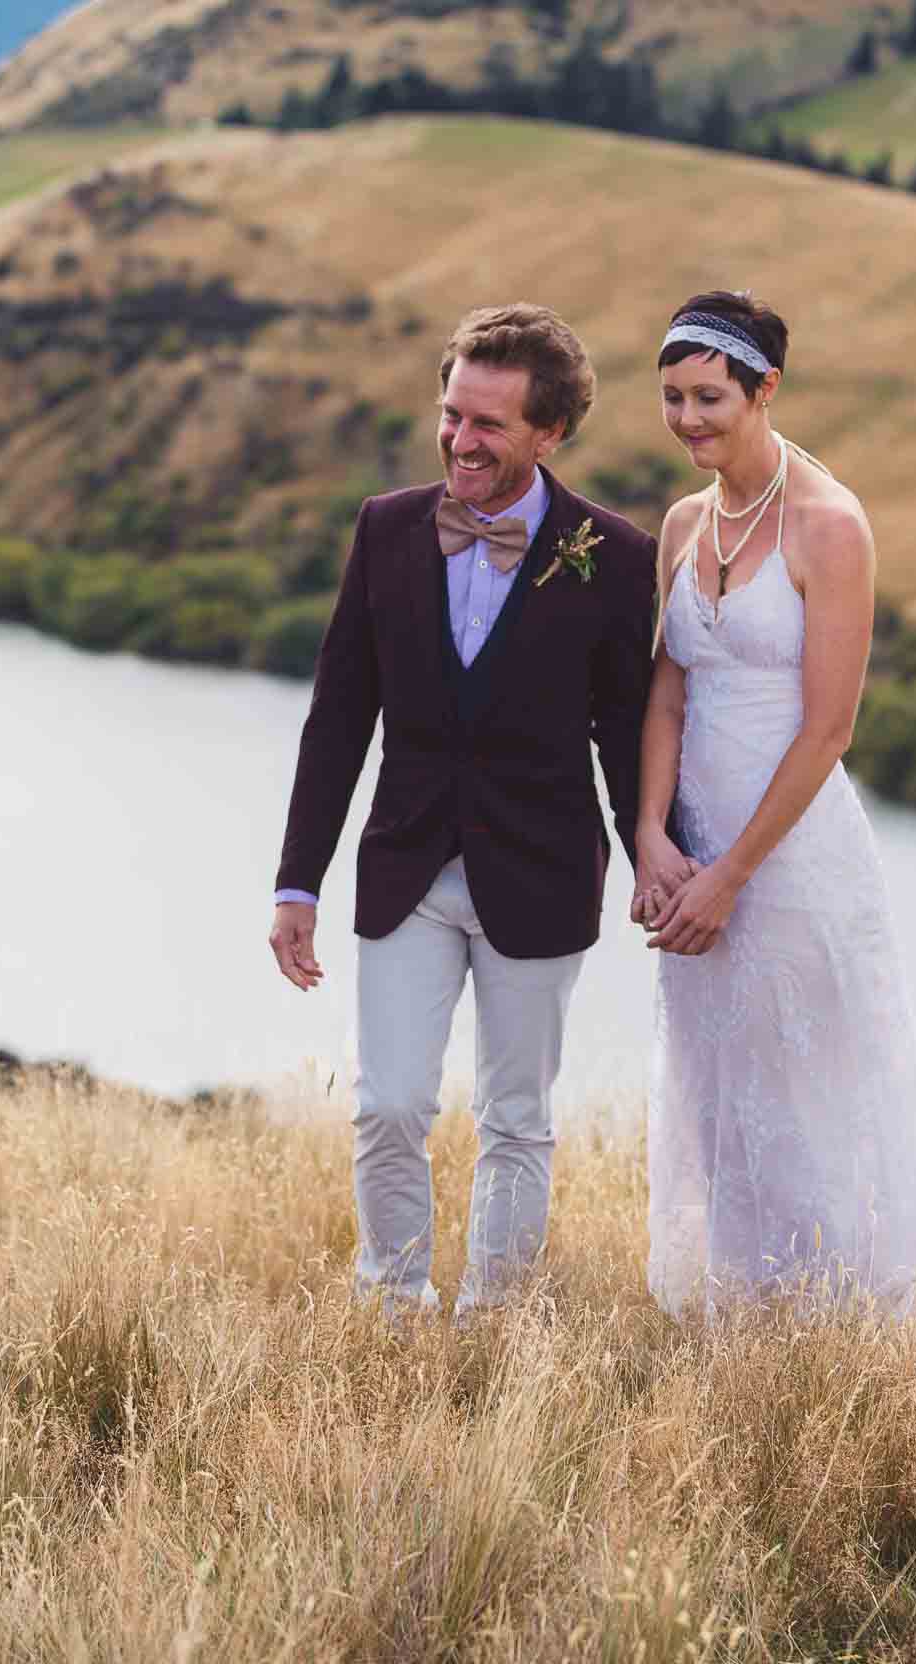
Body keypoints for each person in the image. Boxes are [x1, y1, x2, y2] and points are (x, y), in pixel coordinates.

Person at [270, 303, 658, 1318]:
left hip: (542, 873)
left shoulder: (612, 554)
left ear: (548, 433)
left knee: (516, 1116)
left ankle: (493, 1317)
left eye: (488, 423)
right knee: (389, 1102)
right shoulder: (388, 526)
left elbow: (625, 734)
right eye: (451, 414)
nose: (460, 440)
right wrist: (296, 880)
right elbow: (338, 715)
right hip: (407, 869)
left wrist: (655, 855)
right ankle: (391, 1309)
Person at [631, 291, 916, 1319]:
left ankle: (834, 1315)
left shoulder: (830, 525)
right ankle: (746, 1306)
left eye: (708, 397)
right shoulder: (684, 522)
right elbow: (668, 688)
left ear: (764, 389)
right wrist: (648, 837)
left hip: (792, 855)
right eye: (673, 398)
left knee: (811, 1079)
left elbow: (828, 730)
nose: (687, 419)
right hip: (689, 850)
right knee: (719, 1077)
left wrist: (734, 872)